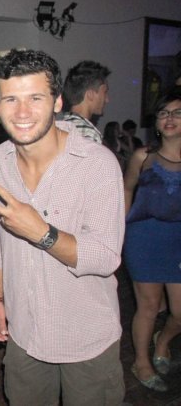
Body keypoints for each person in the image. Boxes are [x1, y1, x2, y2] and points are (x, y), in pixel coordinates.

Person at [0, 49, 125, 405]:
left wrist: (42, 233)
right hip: (24, 332)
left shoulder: (97, 164)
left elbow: (105, 257)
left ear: (57, 101)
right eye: (10, 99)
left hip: (85, 337)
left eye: (35, 98)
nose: (22, 112)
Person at [123, 87, 181, 392]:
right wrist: (121, 229)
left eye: (177, 113)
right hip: (144, 237)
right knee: (148, 306)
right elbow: (127, 188)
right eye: (163, 113)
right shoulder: (142, 156)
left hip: (178, 239)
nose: (169, 118)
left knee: (179, 313)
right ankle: (141, 361)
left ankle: (163, 341)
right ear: (156, 121)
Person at [61, 60, 111, 143]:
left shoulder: (60, 129)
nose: (107, 99)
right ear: (90, 94)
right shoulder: (88, 135)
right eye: (105, 92)